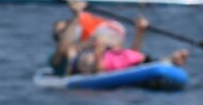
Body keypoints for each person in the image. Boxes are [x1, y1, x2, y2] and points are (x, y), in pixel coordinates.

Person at [50, 5, 187, 76]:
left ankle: (169, 61)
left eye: (66, 27)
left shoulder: (89, 41)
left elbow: (131, 55)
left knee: (127, 56)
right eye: (61, 31)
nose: (66, 31)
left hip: (111, 60)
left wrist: (139, 32)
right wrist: (77, 16)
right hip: (92, 63)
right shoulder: (56, 58)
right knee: (86, 58)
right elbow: (64, 48)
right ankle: (98, 61)